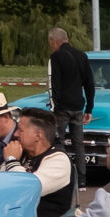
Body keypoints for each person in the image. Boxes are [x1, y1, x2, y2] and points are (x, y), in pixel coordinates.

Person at [0, 108, 76, 217]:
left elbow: (29, 187)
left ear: (38, 135)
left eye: (20, 130)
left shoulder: (59, 160)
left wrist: (11, 160)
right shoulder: (21, 154)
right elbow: (1, 186)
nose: (15, 134)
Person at [47, 27, 95, 190]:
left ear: (55, 41)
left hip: (63, 107)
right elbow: (89, 83)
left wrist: (57, 106)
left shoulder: (56, 57)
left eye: (51, 43)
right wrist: (89, 107)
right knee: (78, 143)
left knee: (59, 141)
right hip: (78, 106)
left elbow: (55, 84)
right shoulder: (82, 56)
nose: (51, 46)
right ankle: (82, 180)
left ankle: (63, 177)